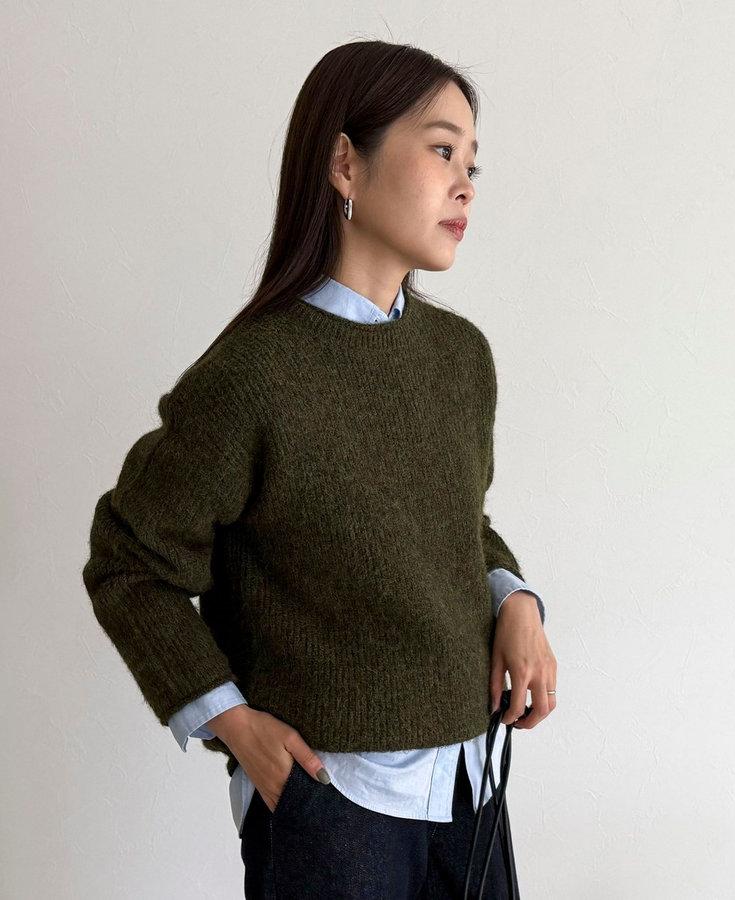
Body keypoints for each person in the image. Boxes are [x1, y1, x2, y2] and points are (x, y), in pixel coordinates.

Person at [82, 39, 557, 899]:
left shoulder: (460, 358)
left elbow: (457, 523)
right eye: (442, 150)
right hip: (335, 809)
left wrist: (513, 597)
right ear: (345, 163)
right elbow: (130, 563)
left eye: (473, 163)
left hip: (470, 791)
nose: (465, 185)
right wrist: (233, 724)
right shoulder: (252, 376)